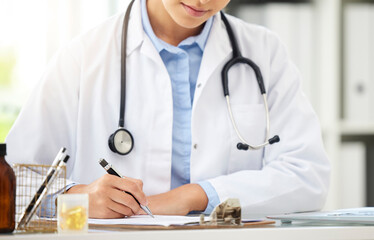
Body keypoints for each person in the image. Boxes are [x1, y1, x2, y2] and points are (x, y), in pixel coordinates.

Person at [6, 0, 330, 219]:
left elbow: (307, 176)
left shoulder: (264, 52)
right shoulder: (82, 57)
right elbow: (16, 184)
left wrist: (197, 195)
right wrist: (79, 200)